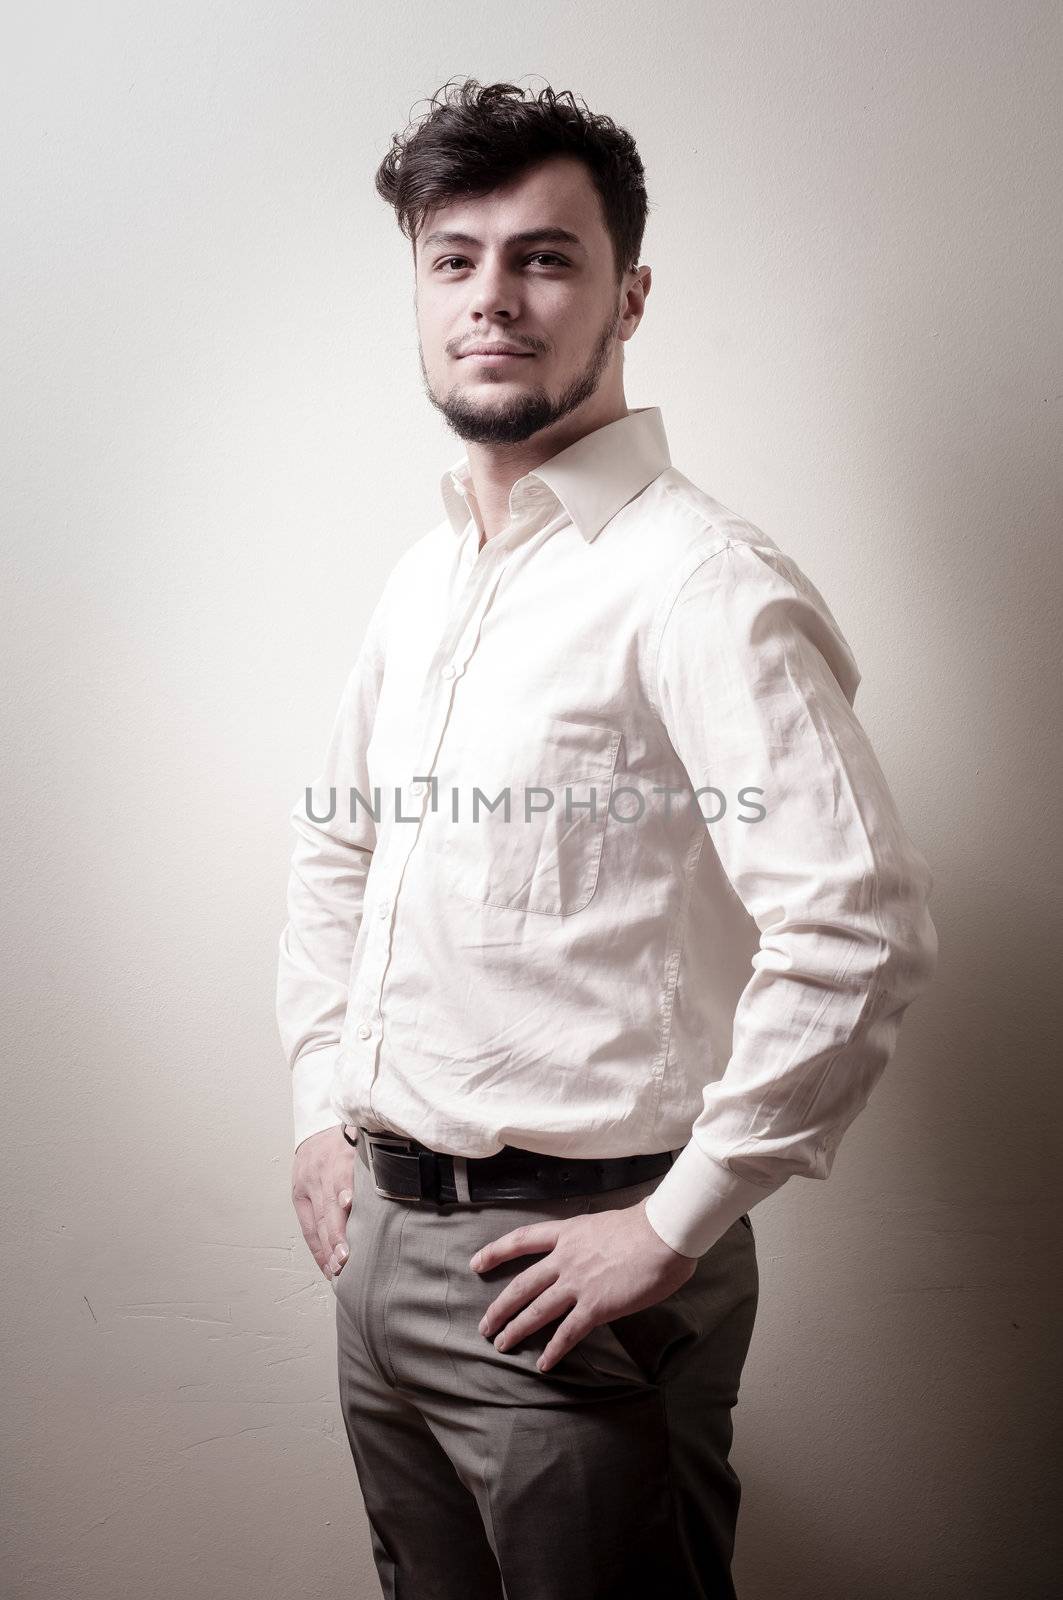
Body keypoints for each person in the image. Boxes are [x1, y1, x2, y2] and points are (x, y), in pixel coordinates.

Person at [275, 77, 938, 1600]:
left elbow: (861, 927)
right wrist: (326, 1105)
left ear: (627, 293)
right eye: (455, 259)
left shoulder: (701, 584)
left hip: (582, 1272)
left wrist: (676, 1223)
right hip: (385, 1250)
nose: (492, 299)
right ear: (422, 291)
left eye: (544, 257)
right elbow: (338, 851)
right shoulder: (430, 578)